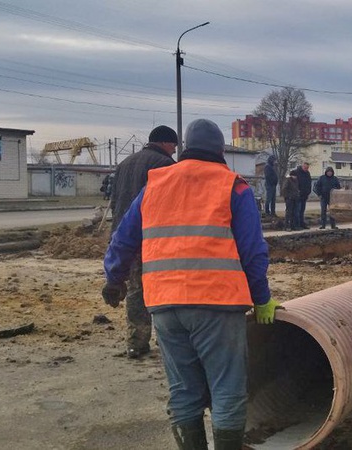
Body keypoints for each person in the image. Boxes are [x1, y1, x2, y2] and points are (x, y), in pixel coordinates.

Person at [102, 118, 279, 450]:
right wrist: (262, 298)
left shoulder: (154, 185)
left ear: (184, 148)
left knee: (183, 389)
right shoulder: (233, 186)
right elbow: (253, 251)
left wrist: (114, 278)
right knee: (226, 387)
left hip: (165, 305)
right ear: (219, 150)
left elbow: (122, 240)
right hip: (217, 304)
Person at [109, 125, 177, 359]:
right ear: (166, 143)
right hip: (152, 237)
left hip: (124, 235)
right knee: (159, 289)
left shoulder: (124, 164)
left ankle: (136, 341)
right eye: (174, 146)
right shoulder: (165, 165)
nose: (175, 151)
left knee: (136, 291)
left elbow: (115, 200)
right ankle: (166, 339)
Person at [296, 162, 312, 229]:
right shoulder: (297, 172)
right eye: (305, 167)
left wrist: (308, 192)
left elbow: (309, 183)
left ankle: (302, 224)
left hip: (305, 195)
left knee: (302, 210)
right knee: (298, 210)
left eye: (307, 168)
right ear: (302, 166)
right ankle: (298, 224)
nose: (306, 169)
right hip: (298, 195)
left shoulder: (307, 174)